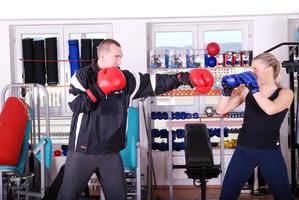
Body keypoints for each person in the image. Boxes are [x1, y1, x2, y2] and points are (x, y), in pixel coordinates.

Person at [57, 39, 214, 200]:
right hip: (84, 150)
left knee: (119, 197)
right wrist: (99, 88)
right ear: (102, 57)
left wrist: (183, 78)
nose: (120, 61)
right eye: (116, 57)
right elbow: (76, 105)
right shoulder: (82, 76)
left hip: (111, 151)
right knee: (67, 196)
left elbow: (154, 83)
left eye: (121, 57)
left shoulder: (126, 79)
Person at [216, 52, 294, 200]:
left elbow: (270, 109)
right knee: (226, 195)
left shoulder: (285, 93)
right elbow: (221, 110)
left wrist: (254, 88)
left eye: (255, 69)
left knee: (284, 196)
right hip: (244, 150)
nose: (252, 72)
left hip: (269, 151)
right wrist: (226, 91)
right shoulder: (246, 90)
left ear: (269, 69)